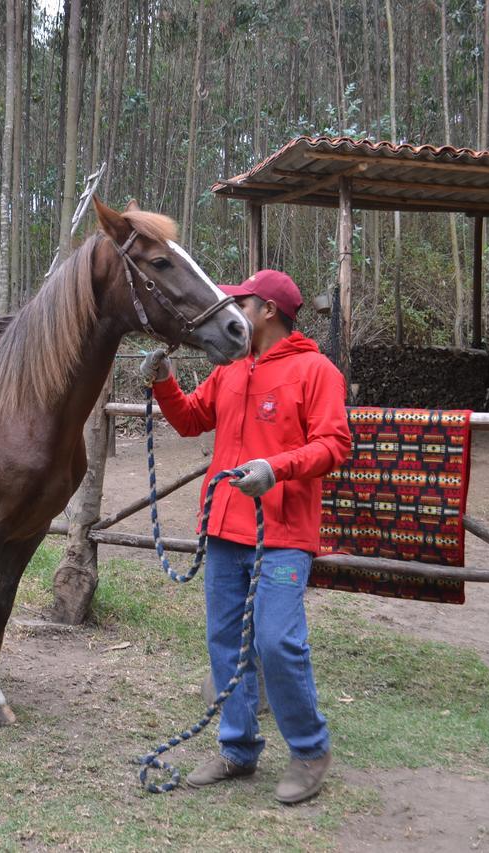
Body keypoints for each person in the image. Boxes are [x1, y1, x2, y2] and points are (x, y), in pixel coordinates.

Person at [141, 269, 351, 804]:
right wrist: (163, 381)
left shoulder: (316, 371)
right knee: (226, 642)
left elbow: (334, 445)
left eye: (242, 301)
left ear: (269, 311)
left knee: (277, 641)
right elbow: (191, 420)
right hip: (224, 530)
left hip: (282, 534)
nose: (232, 309)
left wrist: (276, 469)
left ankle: (309, 750)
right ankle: (237, 748)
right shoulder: (230, 369)